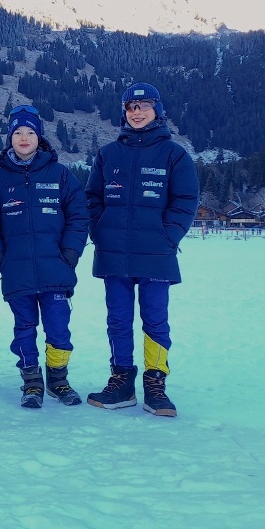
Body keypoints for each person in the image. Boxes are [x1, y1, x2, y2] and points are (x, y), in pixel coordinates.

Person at [84, 82, 199, 417]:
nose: (137, 113)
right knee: (118, 320)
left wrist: (168, 237)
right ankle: (121, 381)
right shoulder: (108, 154)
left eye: (144, 106)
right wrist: (100, 230)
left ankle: (155, 384)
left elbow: (186, 200)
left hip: (156, 254)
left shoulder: (174, 154)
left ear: (157, 110)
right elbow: (93, 198)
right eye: (131, 108)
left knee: (155, 321)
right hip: (113, 253)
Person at [0, 105, 89, 409]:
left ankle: (58, 379)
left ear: (39, 138)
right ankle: (31, 382)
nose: (24, 137)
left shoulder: (60, 175)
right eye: (17, 132)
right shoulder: (0, 181)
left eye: (30, 132)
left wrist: (70, 253)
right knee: (24, 329)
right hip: (17, 273)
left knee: (58, 328)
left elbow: (79, 215)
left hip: (56, 269)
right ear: (10, 139)